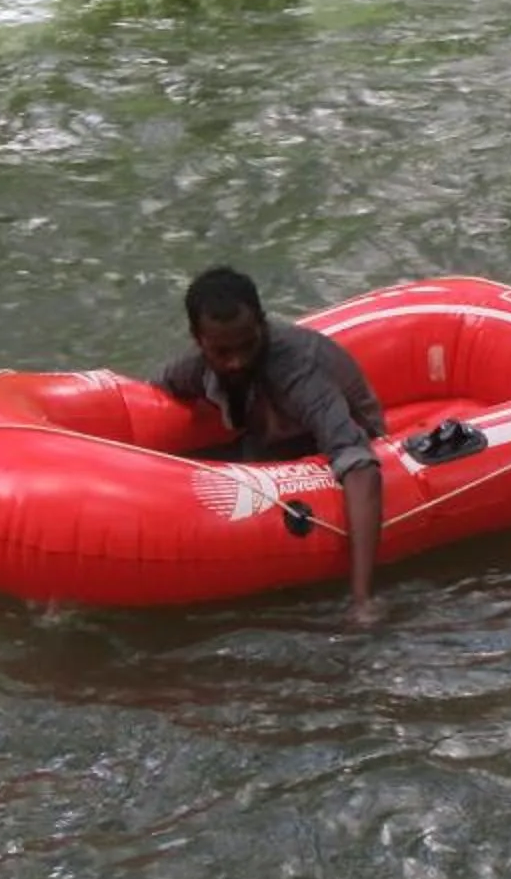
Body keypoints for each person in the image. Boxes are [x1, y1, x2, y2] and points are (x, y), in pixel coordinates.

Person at [156, 266, 388, 620]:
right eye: (222, 352)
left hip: (326, 444)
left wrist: (362, 599)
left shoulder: (297, 371)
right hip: (265, 444)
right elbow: (149, 401)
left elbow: (360, 465)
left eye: (247, 345)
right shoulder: (193, 368)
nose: (236, 361)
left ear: (262, 325)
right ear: (198, 339)